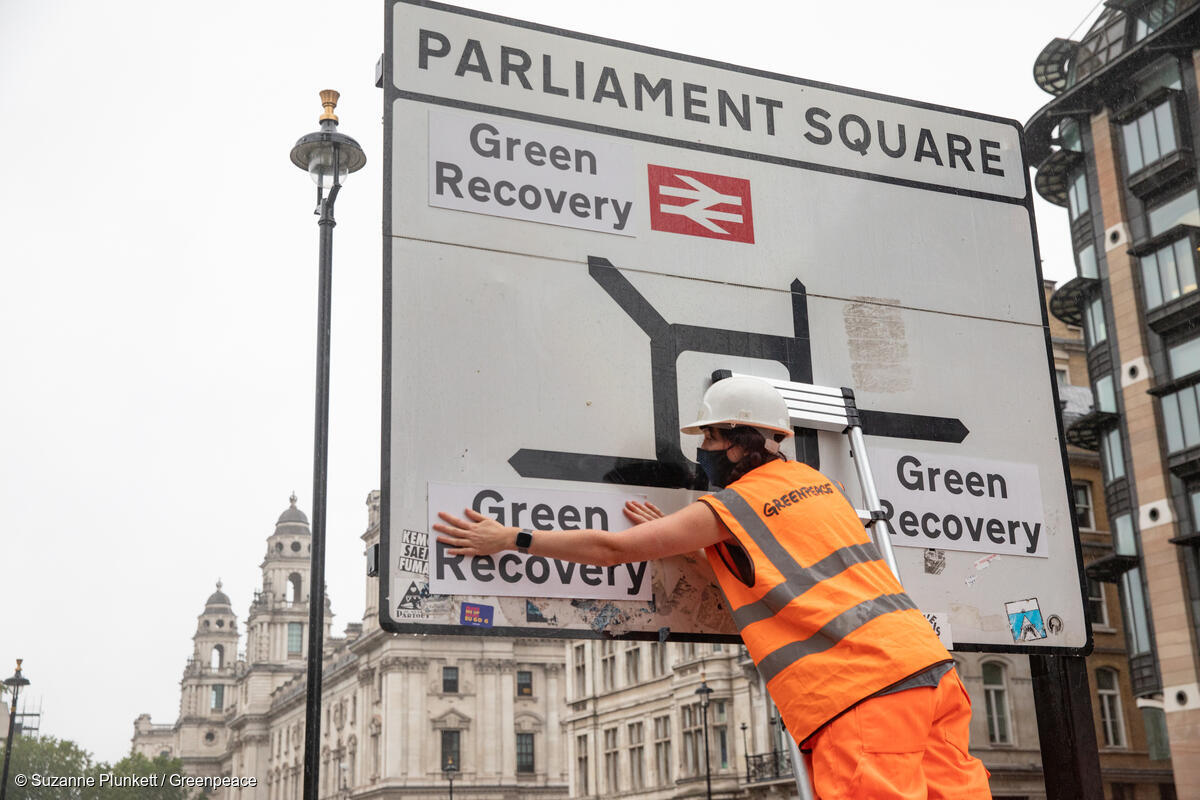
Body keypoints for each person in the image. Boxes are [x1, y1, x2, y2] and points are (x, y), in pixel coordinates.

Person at [434, 376, 993, 799]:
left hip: (859, 689)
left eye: (708, 437)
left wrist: (511, 537)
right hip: (930, 670)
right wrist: (679, 537)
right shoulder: (815, 483)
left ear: (737, 440)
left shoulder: (731, 506)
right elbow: (773, 571)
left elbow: (614, 551)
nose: (702, 449)